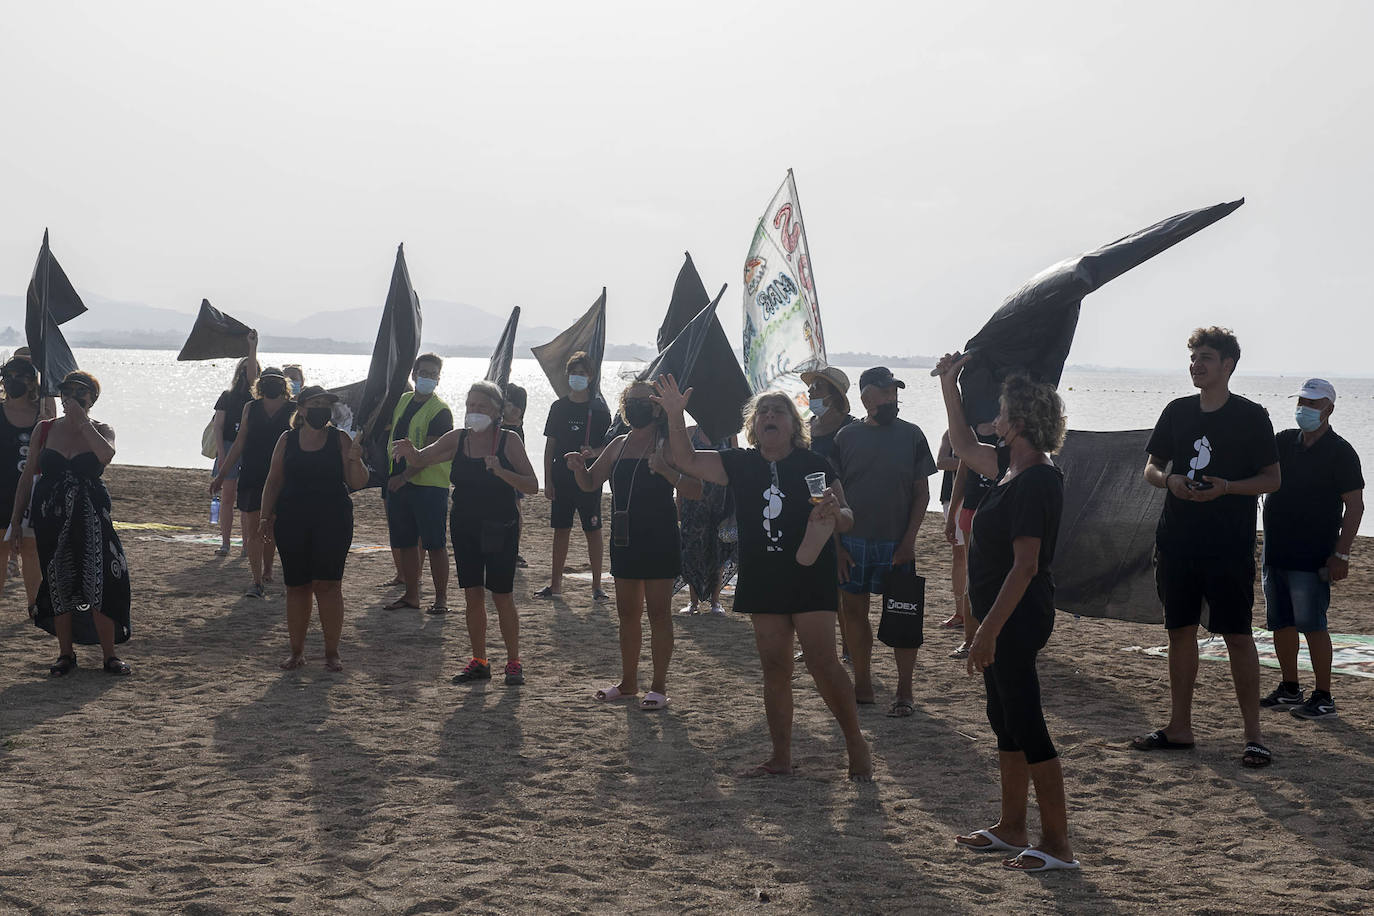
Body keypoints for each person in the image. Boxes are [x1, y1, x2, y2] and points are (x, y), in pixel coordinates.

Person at [654, 375, 873, 781]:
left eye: (779, 411)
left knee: (823, 663)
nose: (771, 416)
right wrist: (674, 413)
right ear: (753, 426)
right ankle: (781, 757)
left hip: (809, 574)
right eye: (764, 412)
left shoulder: (814, 464)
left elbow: (848, 516)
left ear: (793, 424)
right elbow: (686, 460)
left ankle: (855, 741)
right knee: (774, 668)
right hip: (763, 576)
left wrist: (833, 515)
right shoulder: (739, 464)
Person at [936, 354, 1077, 871]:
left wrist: (986, 632)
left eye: (1000, 413)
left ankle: (1058, 843)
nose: (993, 420)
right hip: (997, 614)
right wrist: (950, 387)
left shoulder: (1037, 478)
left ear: (1018, 422)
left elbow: (1025, 566)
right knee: (1003, 718)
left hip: (1017, 616)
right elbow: (965, 447)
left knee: (1026, 719)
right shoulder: (1009, 468)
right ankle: (1012, 825)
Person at [1133, 327, 1280, 768]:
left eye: (1207, 358)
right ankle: (1180, 727)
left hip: (1228, 545)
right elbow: (1152, 468)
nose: (1197, 365)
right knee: (1180, 632)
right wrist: (1170, 480)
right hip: (1177, 541)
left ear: (1228, 364)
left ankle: (1253, 736)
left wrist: (1228, 487)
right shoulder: (1177, 412)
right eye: (1194, 357)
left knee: (1237, 636)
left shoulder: (1252, 416)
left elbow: (1273, 480)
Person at [397, 382, 539, 685]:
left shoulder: (508, 441)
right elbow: (423, 459)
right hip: (464, 525)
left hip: (500, 527)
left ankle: (514, 662)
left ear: (497, 411)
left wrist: (502, 471)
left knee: (502, 597)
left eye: (482, 407)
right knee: (472, 596)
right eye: (470, 405)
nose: (474, 412)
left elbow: (531, 485)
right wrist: (410, 452)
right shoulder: (458, 438)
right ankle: (479, 660)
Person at [571, 381, 702, 709]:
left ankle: (658, 686)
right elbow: (590, 483)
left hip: (659, 537)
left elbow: (696, 490)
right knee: (627, 614)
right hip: (624, 538)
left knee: (659, 614)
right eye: (630, 400)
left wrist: (666, 471)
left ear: (657, 407)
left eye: (642, 401)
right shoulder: (618, 443)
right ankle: (628, 683)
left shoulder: (669, 444)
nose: (635, 406)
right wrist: (577, 468)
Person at [11, 371, 132, 677]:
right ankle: (66, 653)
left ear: (92, 399)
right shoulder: (45, 428)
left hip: (91, 514)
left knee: (100, 578)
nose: (72, 399)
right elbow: (27, 478)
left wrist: (82, 422)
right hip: (50, 515)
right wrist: (15, 521)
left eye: (81, 394)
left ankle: (109, 655)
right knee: (58, 581)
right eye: (67, 392)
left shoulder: (102, 428)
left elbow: (105, 455)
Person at [833, 367, 937, 717]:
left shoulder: (913, 436)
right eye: (886, 392)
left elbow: (922, 493)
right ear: (866, 398)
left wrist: (909, 541)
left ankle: (904, 691)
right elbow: (830, 497)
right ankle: (862, 684)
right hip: (854, 542)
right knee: (853, 613)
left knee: (903, 617)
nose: (893, 398)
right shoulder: (844, 438)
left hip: (897, 543)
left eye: (895, 392)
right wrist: (838, 546)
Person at [1259, 378, 1363, 720]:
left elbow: (1356, 506)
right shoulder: (1283, 442)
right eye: (1301, 401)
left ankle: (1323, 695)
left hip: (1312, 554)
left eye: (1313, 403)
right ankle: (1290, 687)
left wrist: (1341, 553)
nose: (1304, 408)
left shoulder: (1341, 452)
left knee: (1313, 625)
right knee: (1281, 623)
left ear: (1329, 409)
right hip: (1275, 551)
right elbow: (1255, 471)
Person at [258, 386, 370, 670]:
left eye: (326, 404)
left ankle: (332, 653)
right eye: (316, 403)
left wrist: (356, 459)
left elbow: (357, 482)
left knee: (329, 586)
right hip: (292, 520)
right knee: (297, 586)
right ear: (303, 408)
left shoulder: (340, 439)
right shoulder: (287, 439)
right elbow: (273, 481)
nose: (322, 408)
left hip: (332, 519)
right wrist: (264, 517)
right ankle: (297, 652)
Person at [212, 366, 295, 598]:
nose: (272, 385)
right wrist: (222, 473)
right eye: (267, 381)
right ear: (260, 385)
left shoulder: (293, 409)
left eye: (276, 381)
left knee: (272, 524)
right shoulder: (251, 408)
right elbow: (239, 443)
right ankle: (257, 580)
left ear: (283, 385)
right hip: (252, 473)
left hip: (281, 476)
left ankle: (268, 569)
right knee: (252, 527)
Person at [383, 354, 454, 614]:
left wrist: (404, 477)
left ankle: (441, 599)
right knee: (406, 542)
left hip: (429, 486)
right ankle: (412, 595)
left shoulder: (441, 411)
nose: (428, 378)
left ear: (438, 379)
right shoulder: (403, 400)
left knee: (434, 544)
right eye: (423, 372)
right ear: (413, 375)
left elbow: (432, 453)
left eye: (433, 374)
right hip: (399, 484)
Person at [539, 351, 610, 602]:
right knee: (561, 529)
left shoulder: (599, 410)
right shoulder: (558, 407)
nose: (577, 377)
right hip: (561, 476)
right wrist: (547, 480)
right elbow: (550, 447)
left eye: (582, 373)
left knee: (593, 530)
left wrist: (593, 453)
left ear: (590, 377)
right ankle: (555, 585)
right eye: (574, 373)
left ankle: (597, 586)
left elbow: (609, 448)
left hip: (588, 477)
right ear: (567, 375)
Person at [946, 421, 999, 658]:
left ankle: (993, 636)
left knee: (997, 575)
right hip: (972, 510)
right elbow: (962, 475)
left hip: (998, 509)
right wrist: (951, 517)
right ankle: (968, 640)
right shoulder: (970, 432)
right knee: (974, 575)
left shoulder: (1011, 435)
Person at [677, 424, 735, 616]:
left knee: (717, 551)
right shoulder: (690, 433)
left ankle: (715, 601)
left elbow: (736, 469)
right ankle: (693, 602)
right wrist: (679, 502)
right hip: (693, 501)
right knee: (692, 550)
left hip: (721, 502)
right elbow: (682, 469)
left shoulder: (729, 434)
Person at [0, 357, 43, 613]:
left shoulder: (43, 415)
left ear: (32, 382)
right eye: (9, 375)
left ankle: (34, 605)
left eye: (21, 376)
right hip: (1, 491)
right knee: (1, 547)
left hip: (31, 491)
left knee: (30, 549)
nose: (14, 381)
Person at [211, 334, 260, 556]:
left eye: (249, 370)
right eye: (241, 370)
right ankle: (226, 543)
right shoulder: (227, 396)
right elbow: (218, 427)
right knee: (228, 498)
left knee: (247, 500)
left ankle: (247, 544)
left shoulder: (257, 399)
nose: (245, 375)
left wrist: (252, 348)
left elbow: (251, 377)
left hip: (250, 450)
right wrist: (222, 454)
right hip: (229, 446)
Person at [936, 430, 968, 631]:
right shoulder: (952, 431)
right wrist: (973, 461)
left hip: (981, 494)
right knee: (959, 556)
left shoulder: (993, 426)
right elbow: (941, 462)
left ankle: (977, 610)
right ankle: (960, 612)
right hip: (952, 496)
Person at [801, 366, 856, 468]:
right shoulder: (803, 427)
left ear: (834, 396)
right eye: (810, 386)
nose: (809, 392)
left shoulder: (851, 428)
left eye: (817, 386)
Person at [502, 383, 530, 569]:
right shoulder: (502, 425)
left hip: (513, 474)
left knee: (514, 509)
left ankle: (513, 550)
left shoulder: (514, 429)